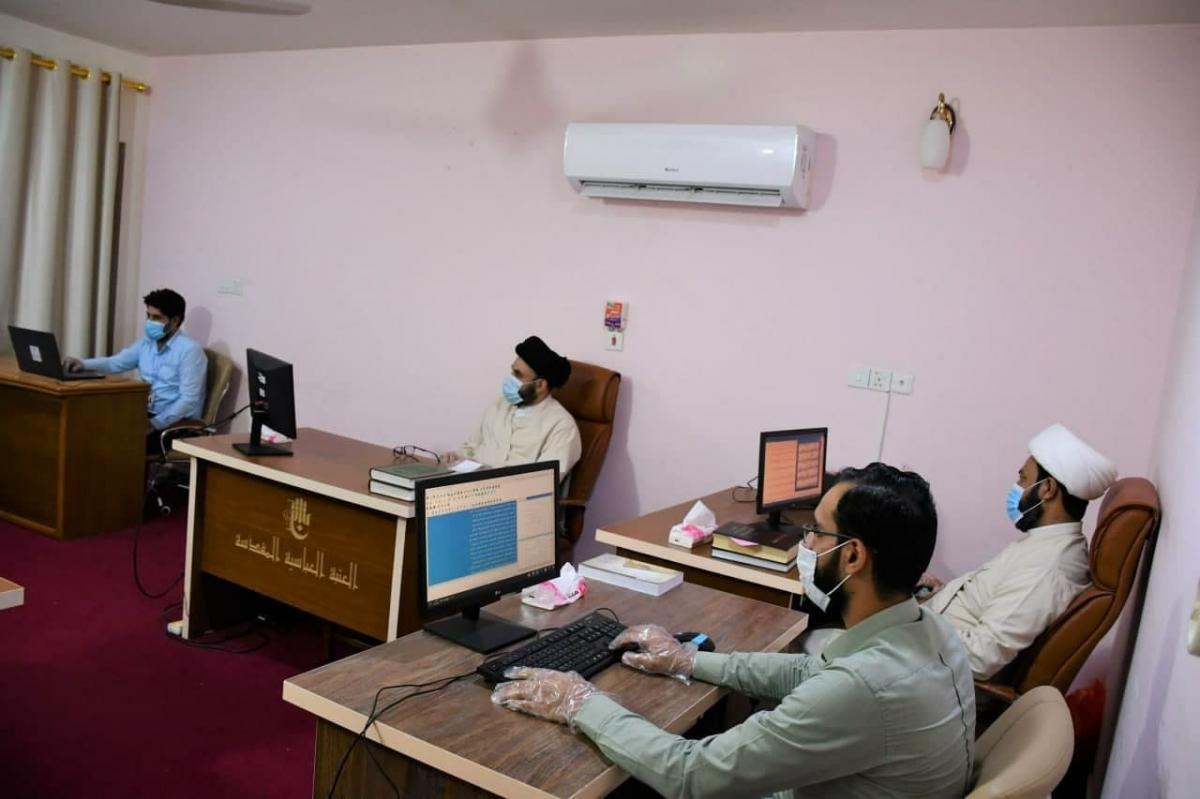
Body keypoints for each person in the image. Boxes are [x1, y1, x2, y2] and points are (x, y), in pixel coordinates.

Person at [492, 463, 976, 799]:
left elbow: (690, 775)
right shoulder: (929, 630)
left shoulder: (865, 688)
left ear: (852, 556)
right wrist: (689, 660)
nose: (806, 543)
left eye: (816, 532)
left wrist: (581, 702)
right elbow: (810, 671)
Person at [919, 423, 1118, 680]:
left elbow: (981, 658)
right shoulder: (1046, 544)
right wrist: (942, 594)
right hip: (929, 639)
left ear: (1047, 489)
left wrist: (910, 624)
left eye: (1023, 479)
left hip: (932, 672)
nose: (1016, 486)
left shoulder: (1047, 569)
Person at [65, 288, 207, 453]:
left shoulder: (190, 350)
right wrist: (83, 364)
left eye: (157, 318)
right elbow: (115, 363)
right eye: (148, 316)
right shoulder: (147, 343)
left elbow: (188, 400)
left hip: (174, 424)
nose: (150, 322)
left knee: (114, 443)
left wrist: (155, 424)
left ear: (175, 321)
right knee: (94, 426)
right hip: (145, 413)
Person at [450, 335, 582, 480]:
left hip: (508, 493)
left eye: (518, 375)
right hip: (467, 484)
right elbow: (470, 448)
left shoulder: (561, 426)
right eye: (513, 371)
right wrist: (454, 459)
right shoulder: (500, 405)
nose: (510, 378)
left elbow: (543, 482)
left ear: (540, 385)